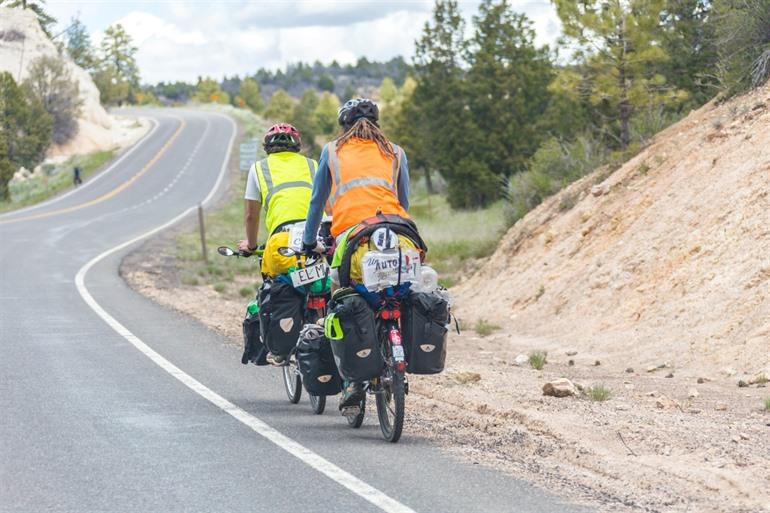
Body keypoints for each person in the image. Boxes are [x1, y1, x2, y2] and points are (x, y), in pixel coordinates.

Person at [301, 98, 411, 410]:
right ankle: (395, 343)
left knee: (340, 296)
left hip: (352, 235)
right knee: (399, 289)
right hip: (397, 231)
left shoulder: (332, 151)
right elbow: (404, 200)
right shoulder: (396, 152)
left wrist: (310, 241)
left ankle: (353, 380)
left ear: (344, 126)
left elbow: (316, 201)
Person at [239, 123, 318, 363]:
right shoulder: (312, 165)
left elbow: (251, 215)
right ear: (297, 146)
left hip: (282, 240)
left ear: (267, 148)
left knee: (277, 283)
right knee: (326, 282)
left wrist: (251, 246)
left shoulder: (259, 169)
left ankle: (280, 347)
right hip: (317, 236)